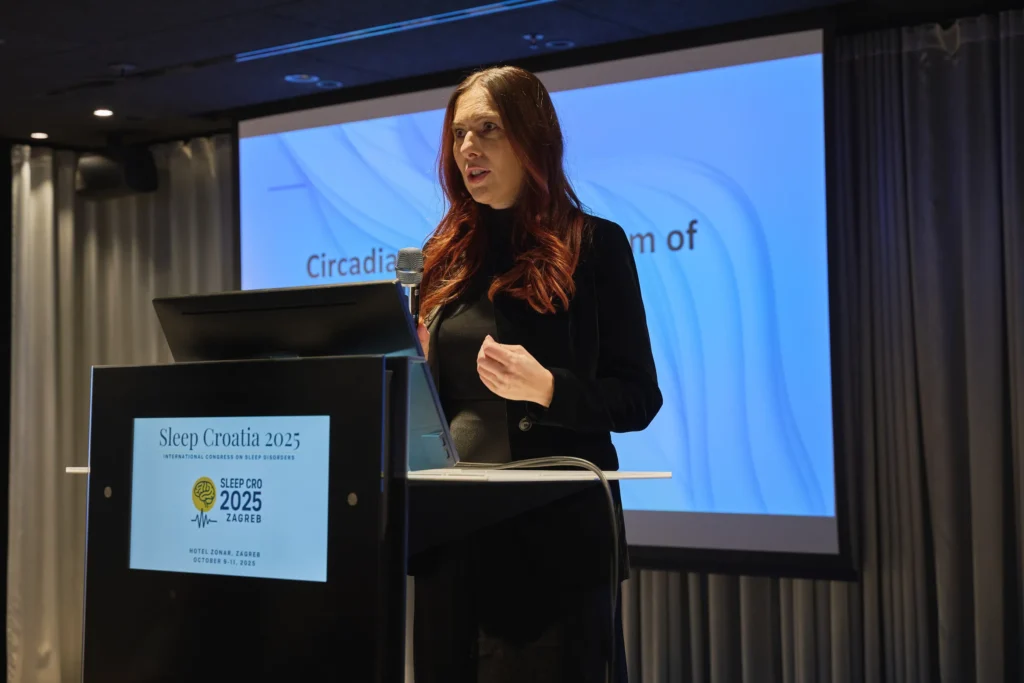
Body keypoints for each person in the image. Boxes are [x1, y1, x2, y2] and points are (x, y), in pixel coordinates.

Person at [410, 65, 662, 683]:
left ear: (532, 137)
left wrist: (548, 388)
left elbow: (638, 398)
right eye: (459, 133)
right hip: (451, 538)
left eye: (488, 130)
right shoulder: (441, 259)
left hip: (553, 544)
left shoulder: (595, 245)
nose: (468, 147)